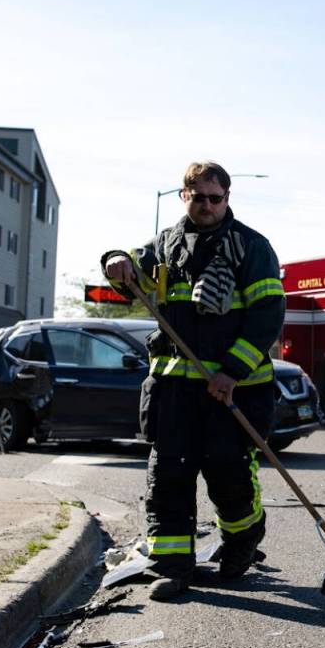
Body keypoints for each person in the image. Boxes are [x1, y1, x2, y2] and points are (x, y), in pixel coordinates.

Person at [102, 161, 284, 600]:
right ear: (184, 196)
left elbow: (267, 318)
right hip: (174, 392)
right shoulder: (164, 247)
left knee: (228, 472)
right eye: (197, 197)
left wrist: (230, 372)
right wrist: (115, 260)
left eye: (214, 198)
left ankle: (242, 541)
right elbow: (127, 274)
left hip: (231, 389)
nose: (206, 205)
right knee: (168, 476)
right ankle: (172, 566)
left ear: (227, 198)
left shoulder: (253, 248)